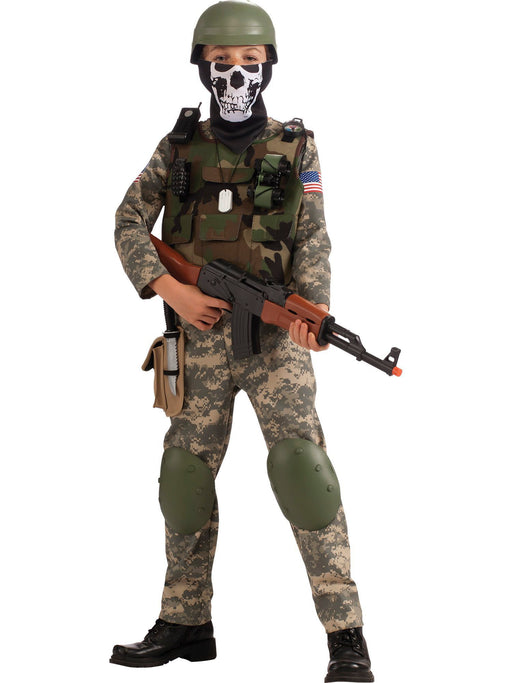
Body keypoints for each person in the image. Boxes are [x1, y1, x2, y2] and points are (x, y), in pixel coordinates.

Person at [111, 2, 374, 681]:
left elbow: (313, 236)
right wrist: (170, 291)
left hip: (276, 345)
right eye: (221, 62)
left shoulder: (296, 145)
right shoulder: (177, 146)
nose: (235, 75)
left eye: (249, 63)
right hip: (196, 339)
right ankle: (185, 620)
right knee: (184, 477)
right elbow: (129, 221)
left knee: (303, 473)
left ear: (269, 67)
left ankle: (346, 635)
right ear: (202, 67)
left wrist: (313, 312)